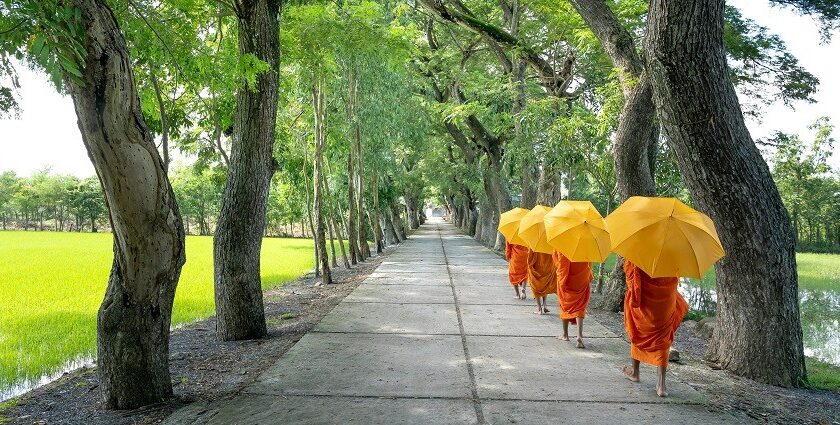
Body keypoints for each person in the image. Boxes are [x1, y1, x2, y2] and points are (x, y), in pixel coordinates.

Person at [621, 260, 688, 397]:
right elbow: (676, 275)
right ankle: (661, 385)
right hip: (665, 301)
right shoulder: (673, 251)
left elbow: (632, 281)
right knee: (663, 336)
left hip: (644, 300)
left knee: (638, 329)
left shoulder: (639, 251)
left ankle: (635, 372)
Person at [553, 252, 592, 348]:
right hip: (582, 278)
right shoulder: (586, 243)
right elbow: (589, 263)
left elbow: (560, 262)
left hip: (567, 278)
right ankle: (579, 336)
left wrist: (561, 280)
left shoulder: (562, 243)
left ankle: (565, 335)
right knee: (580, 307)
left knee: (564, 305)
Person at [527, 249, 556, 314]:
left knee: (535, 288)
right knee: (545, 286)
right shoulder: (550, 245)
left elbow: (529, 259)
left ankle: (539, 309)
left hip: (537, 268)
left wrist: (530, 267)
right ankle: (544, 305)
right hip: (548, 268)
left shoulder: (535, 245)